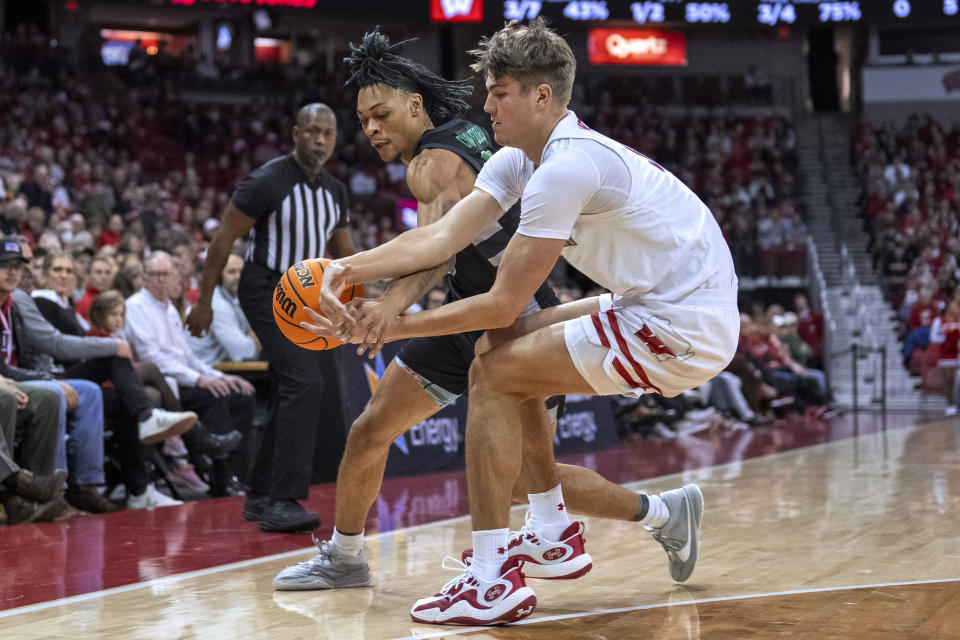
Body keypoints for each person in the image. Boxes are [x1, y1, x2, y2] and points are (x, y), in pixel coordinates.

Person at [308, 20, 738, 625]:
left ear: (542, 96)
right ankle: (553, 530)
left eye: (499, 91)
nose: (485, 103)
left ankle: (492, 580)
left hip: (681, 322)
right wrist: (342, 266)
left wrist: (387, 326)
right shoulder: (518, 159)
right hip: (649, 300)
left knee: (494, 367)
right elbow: (442, 235)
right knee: (500, 352)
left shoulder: (567, 166)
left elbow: (500, 304)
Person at [185, 103, 357, 533]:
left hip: (308, 299)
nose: (319, 141)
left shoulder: (336, 191)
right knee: (305, 381)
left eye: (328, 134)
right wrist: (204, 301)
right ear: (295, 133)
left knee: (290, 387)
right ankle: (283, 501)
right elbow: (224, 236)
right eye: (312, 132)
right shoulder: (267, 180)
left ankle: (261, 494)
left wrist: (363, 302)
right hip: (265, 289)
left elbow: (349, 256)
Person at [126, 252, 255, 496]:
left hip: (181, 375)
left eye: (166, 274)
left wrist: (217, 375)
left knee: (241, 395)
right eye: (156, 275)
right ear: (144, 277)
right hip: (164, 385)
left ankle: (240, 475)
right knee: (213, 396)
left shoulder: (170, 310)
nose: (162, 280)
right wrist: (199, 380)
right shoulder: (135, 307)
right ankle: (222, 480)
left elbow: (187, 356)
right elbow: (153, 359)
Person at [187, 253, 259, 366]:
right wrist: (262, 333)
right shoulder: (216, 304)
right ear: (219, 277)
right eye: (231, 272)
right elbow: (242, 353)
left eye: (241, 271)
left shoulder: (237, 298)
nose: (238, 276)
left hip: (221, 368)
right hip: (206, 370)